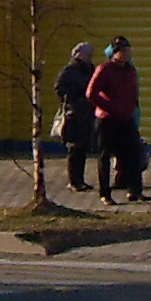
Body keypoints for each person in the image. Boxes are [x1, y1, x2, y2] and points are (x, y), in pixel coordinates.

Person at [88, 34, 147, 204]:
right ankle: (104, 193)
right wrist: (108, 107)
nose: (126, 54)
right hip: (107, 119)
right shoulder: (105, 69)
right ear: (114, 52)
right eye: (122, 51)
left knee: (133, 153)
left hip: (126, 118)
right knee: (105, 156)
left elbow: (133, 91)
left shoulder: (130, 70)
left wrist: (132, 107)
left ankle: (135, 190)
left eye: (128, 51)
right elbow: (90, 93)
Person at [53, 41, 97, 192]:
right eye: (88, 55)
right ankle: (74, 180)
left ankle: (80, 179)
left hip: (88, 113)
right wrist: (73, 100)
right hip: (74, 113)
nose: (91, 58)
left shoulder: (91, 70)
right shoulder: (69, 71)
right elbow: (59, 89)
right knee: (75, 147)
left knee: (83, 147)